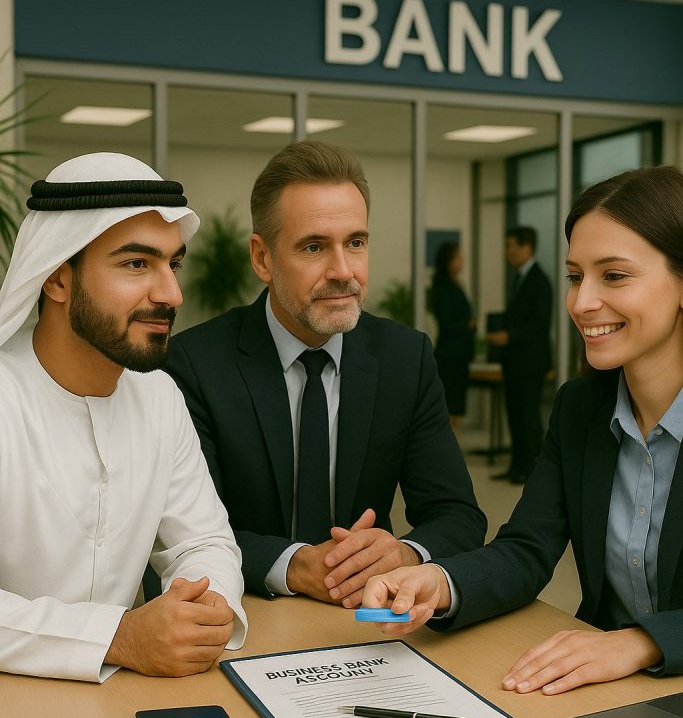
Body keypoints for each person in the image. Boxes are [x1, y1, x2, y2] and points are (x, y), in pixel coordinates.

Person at [362, 165, 683, 692]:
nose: (581, 303)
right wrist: (438, 582)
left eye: (615, 275)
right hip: (612, 698)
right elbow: (528, 549)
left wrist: (641, 641)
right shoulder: (580, 409)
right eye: (576, 276)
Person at [165, 141, 486, 607]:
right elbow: (182, 533)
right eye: (314, 247)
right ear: (262, 259)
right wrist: (293, 566)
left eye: (355, 243)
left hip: (369, 620)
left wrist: (404, 553)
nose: (343, 271)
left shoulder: (405, 357)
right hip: (243, 614)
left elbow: (458, 515)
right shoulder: (194, 364)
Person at [0, 152, 246, 683]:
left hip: (117, 707)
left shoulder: (159, 397)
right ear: (58, 279)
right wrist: (120, 636)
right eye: (137, 264)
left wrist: (204, 610)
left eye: (172, 264)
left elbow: (204, 542)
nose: (171, 294)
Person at [488, 226, 552, 484]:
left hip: (530, 362)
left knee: (527, 415)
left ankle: (531, 468)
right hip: (514, 361)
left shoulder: (539, 280)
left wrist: (509, 336)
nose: (507, 252)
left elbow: (539, 323)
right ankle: (517, 465)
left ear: (527, 248)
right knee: (514, 414)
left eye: (511, 246)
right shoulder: (519, 278)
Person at [430, 241, 475, 425]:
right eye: (457, 259)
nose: (461, 262)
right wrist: (467, 325)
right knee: (450, 405)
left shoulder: (456, 285)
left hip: (460, 355)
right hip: (450, 355)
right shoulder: (443, 288)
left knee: (456, 405)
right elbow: (446, 322)